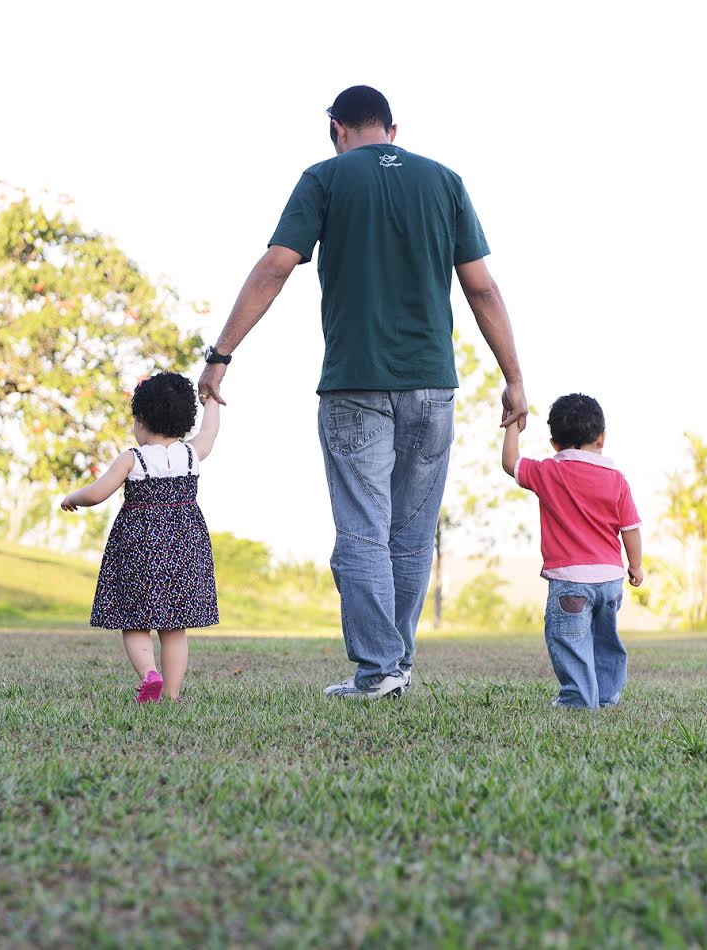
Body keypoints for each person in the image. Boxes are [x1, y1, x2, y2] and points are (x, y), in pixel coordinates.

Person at [197, 85, 526, 700]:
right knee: (409, 533)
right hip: (432, 386)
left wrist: (221, 355)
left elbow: (275, 266)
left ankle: (380, 670)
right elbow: (481, 287)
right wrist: (513, 377)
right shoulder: (444, 181)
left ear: (335, 128)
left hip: (354, 383)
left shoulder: (324, 177)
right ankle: (393, 666)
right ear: (392, 130)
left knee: (363, 531)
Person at [60, 372, 221, 703]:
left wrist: (73, 497)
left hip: (139, 549)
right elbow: (211, 431)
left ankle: (150, 674)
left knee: (135, 621)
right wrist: (211, 399)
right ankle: (173, 695)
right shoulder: (191, 454)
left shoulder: (133, 458)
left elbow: (98, 493)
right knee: (175, 627)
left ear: (142, 420)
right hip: (183, 548)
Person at [501, 393, 643, 708]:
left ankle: (579, 699)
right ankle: (605, 695)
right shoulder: (616, 480)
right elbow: (630, 527)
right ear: (602, 437)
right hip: (610, 581)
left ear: (554, 443)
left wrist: (513, 423)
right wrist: (636, 565)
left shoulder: (548, 472)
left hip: (570, 582)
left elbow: (510, 463)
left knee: (570, 641)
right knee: (605, 640)